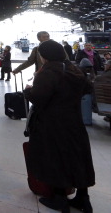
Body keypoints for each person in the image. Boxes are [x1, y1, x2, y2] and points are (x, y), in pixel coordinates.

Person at [23, 40, 95, 212]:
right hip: (74, 122)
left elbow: (39, 98)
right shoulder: (73, 69)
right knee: (77, 158)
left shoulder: (49, 72)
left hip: (52, 124)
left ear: (45, 55)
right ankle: (83, 199)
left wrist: (27, 91)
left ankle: (60, 199)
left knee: (55, 158)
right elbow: (87, 88)